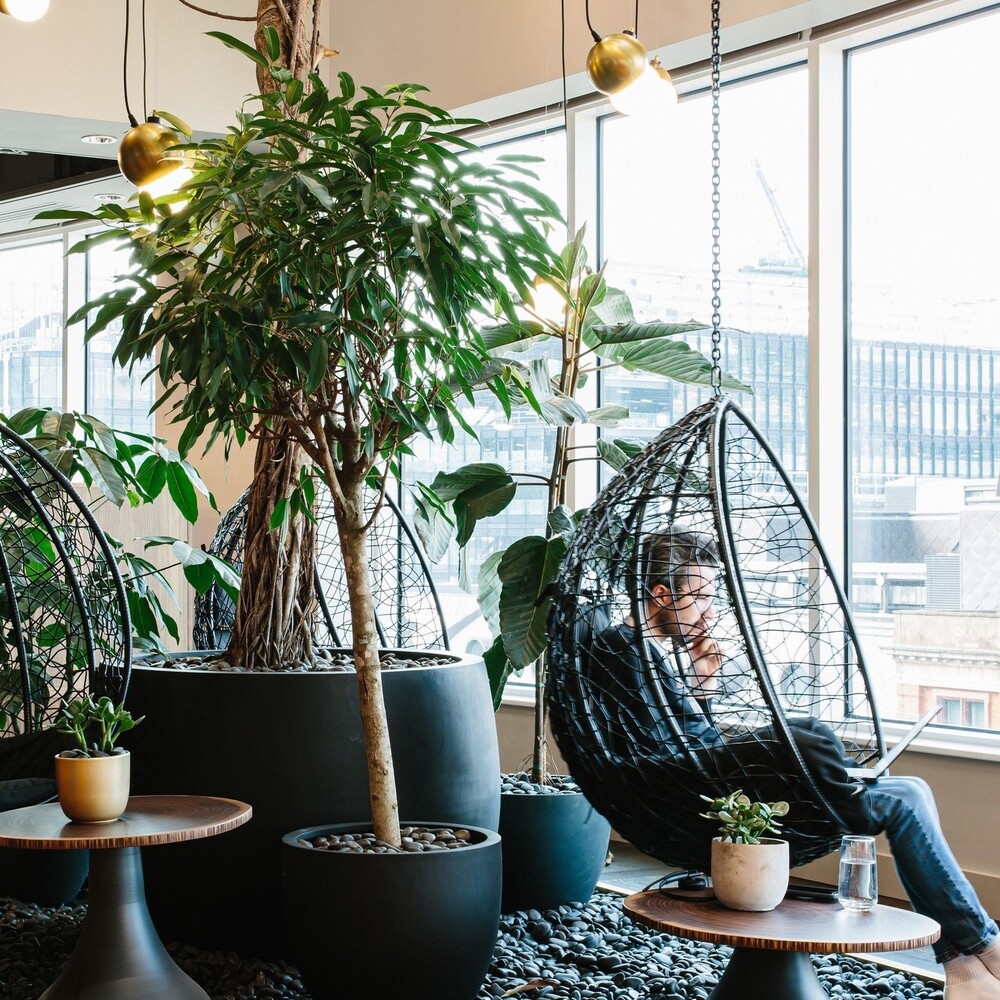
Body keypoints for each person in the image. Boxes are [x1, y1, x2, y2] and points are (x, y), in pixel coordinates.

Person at [593, 527, 1000, 1000]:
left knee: (911, 790)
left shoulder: (647, 653)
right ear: (662, 594)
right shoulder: (622, 651)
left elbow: (680, 738)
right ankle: (983, 946)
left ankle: (963, 963)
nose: (710, 613)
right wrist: (780, 747)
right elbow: (660, 763)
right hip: (708, 803)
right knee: (812, 737)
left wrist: (701, 685)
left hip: (713, 781)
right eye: (701, 598)